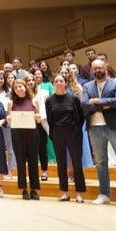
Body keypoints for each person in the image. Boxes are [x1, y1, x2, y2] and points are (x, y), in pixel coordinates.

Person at [81, 59, 116, 205]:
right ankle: (104, 194)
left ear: (105, 68)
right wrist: (106, 105)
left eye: (99, 68)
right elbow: (84, 104)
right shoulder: (87, 86)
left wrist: (98, 102)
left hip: (115, 127)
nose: (97, 71)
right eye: (94, 69)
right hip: (95, 127)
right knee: (101, 163)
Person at [46, 73, 86, 203]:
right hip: (58, 133)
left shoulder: (73, 98)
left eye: (61, 81)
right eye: (56, 81)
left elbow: (80, 117)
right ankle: (65, 192)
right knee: (61, 164)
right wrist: (53, 134)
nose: (58, 83)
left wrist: (76, 131)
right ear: (53, 83)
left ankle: (79, 193)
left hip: (72, 133)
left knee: (77, 163)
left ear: (65, 83)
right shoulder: (49, 100)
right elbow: (50, 119)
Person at [8, 79, 41, 200]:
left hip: (32, 134)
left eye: (20, 86)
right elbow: (9, 117)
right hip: (17, 134)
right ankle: (23, 189)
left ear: (25, 87)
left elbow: (39, 119)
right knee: (20, 162)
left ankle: (34, 189)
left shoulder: (33, 100)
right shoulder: (11, 102)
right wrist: (8, 118)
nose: (18, 89)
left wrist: (38, 116)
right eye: (16, 88)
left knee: (33, 161)